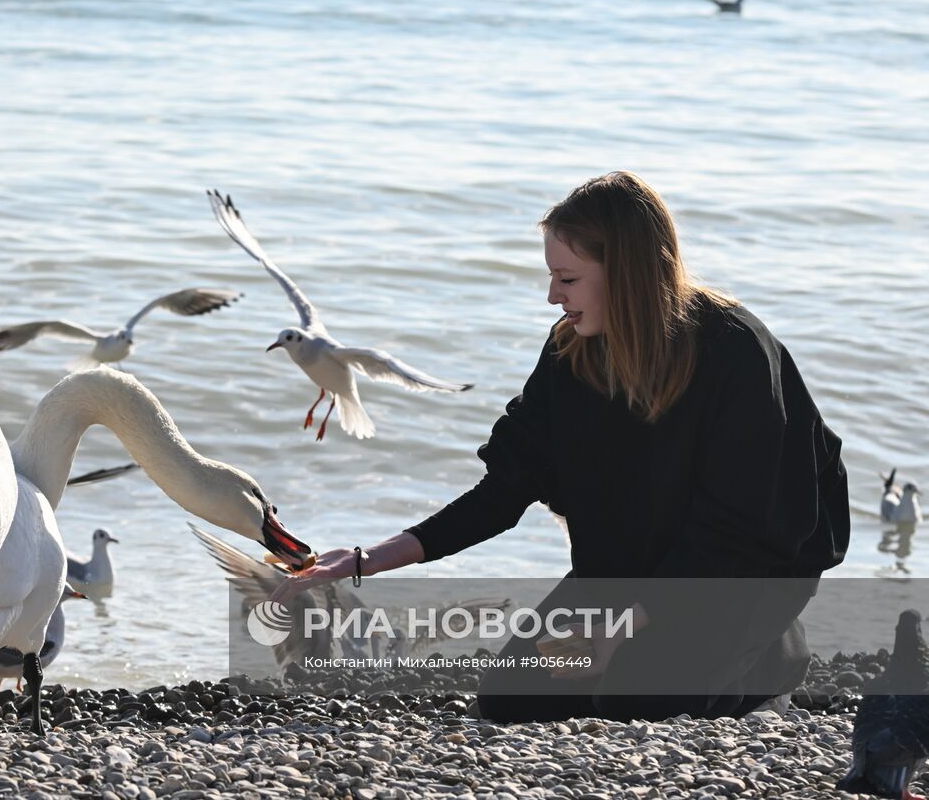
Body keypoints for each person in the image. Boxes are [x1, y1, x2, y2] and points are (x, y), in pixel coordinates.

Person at [272, 171, 849, 722]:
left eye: (567, 279)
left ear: (626, 273)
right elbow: (505, 488)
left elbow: (738, 532)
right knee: (512, 696)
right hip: (629, 572)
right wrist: (368, 559)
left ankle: (771, 658)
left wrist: (615, 631)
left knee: (634, 698)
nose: (552, 296)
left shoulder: (734, 350)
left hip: (735, 576)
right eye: (552, 277)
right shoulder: (570, 351)